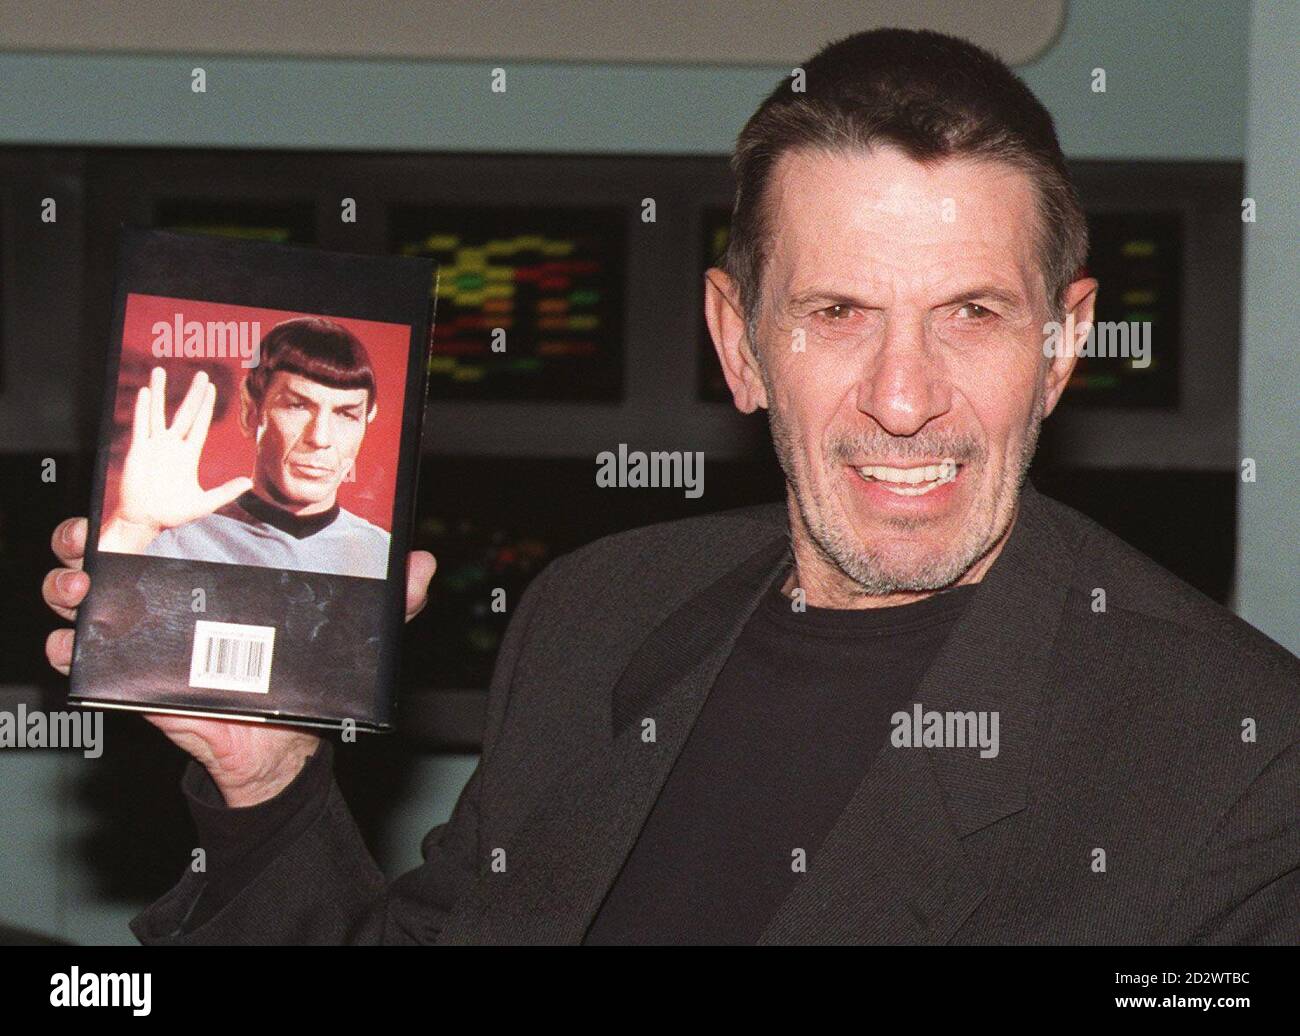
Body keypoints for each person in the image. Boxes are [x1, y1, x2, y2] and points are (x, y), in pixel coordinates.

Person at [44, 28, 1298, 944]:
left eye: (970, 313)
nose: (904, 396)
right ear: (738, 341)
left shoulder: (1235, 759)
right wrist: (265, 786)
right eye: (835, 312)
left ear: (1061, 346)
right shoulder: (597, 614)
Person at [99, 316, 391, 580]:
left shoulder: (382, 554)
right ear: (251, 411)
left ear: (367, 421)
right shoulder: (166, 539)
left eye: (346, 414)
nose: (320, 438)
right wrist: (133, 529)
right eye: (297, 406)